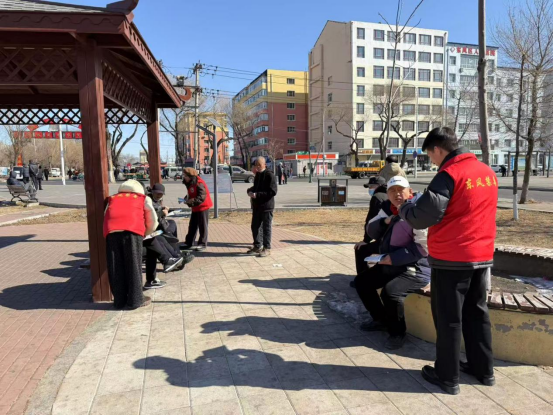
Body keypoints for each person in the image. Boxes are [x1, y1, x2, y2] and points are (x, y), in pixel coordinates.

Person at [399, 127, 498, 396]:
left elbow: (422, 217)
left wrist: (405, 207)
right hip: (481, 255)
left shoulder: (449, 175)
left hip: (452, 258)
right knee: (477, 314)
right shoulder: (486, 172)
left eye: (430, 155)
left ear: (438, 149)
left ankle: (447, 376)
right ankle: (483, 370)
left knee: (448, 319)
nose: (432, 161)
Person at [354, 176, 430, 350]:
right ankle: (380, 320)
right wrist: (386, 220)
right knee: (362, 282)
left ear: (410, 192)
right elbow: (371, 229)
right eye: (392, 191)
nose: (397, 194)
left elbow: (423, 247)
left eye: (400, 190)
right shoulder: (390, 208)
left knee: (391, 293)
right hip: (393, 262)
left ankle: (397, 333)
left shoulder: (418, 211)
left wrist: (393, 258)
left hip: (418, 267)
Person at [103, 180, 158, 310]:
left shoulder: (113, 198)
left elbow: (106, 215)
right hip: (133, 231)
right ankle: (135, 299)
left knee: (115, 266)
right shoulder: (143, 198)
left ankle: (119, 300)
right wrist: (145, 232)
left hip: (112, 232)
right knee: (133, 264)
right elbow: (153, 220)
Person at [354, 176, 390, 278]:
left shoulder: (377, 197)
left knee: (361, 249)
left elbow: (371, 220)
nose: (370, 189)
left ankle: (362, 278)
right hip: (391, 236)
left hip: (386, 240)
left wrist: (366, 240)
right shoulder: (389, 195)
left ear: (379, 186)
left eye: (371, 186)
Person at [247, 157, 278, 257]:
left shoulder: (270, 175)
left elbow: (272, 191)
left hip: (267, 206)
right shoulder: (258, 175)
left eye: (259, 165)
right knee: (255, 226)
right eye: (256, 165)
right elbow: (256, 187)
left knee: (266, 228)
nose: (257, 167)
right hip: (257, 206)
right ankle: (257, 245)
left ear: (265, 165)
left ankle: (267, 248)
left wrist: (257, 195)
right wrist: (250, 191)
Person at [182, 167, 213, 251]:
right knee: (192, 225)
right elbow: (192, 193)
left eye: (185, 176)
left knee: (202, 226)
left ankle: (202, 244)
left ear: (190, 176)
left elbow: (201, 197)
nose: (184, 177)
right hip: (195, 207)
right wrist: (186, 198)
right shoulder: (190, 183)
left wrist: (190, 202)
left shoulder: (199, 183)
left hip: (203, 207)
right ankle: (189, 242)